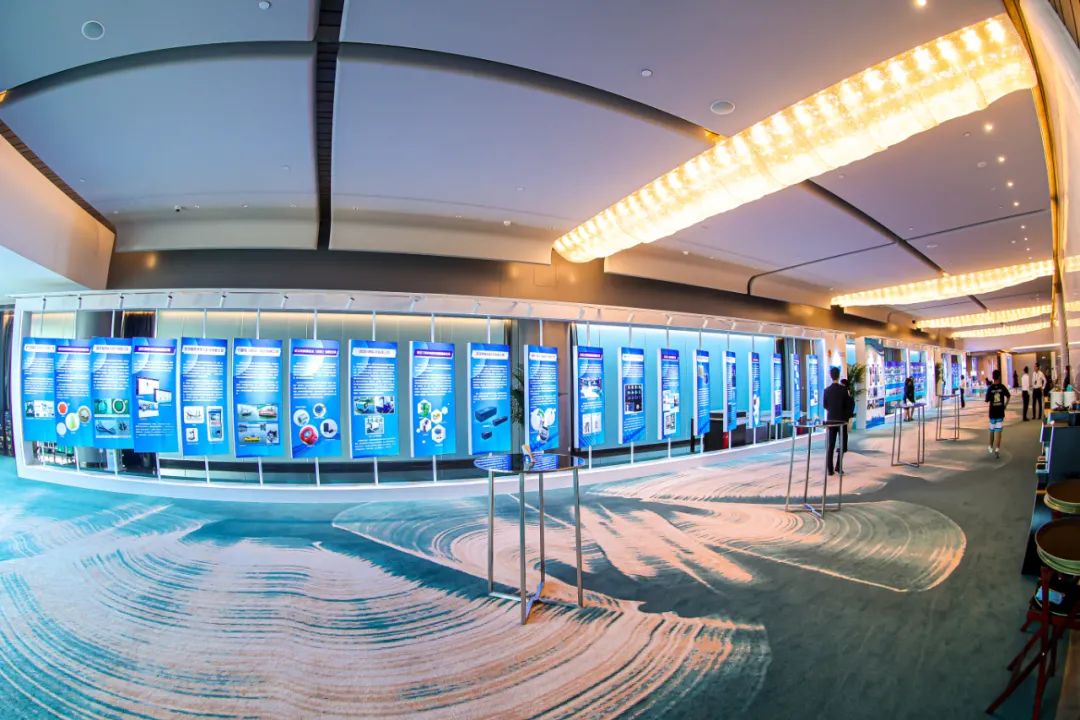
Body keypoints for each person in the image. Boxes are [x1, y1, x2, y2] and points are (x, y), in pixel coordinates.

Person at [823, 367, 848, 476]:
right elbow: (847, 405)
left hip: (831, 420)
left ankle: (830, 469)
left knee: (831, 445)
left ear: (830, 376)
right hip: (841, 421)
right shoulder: (843, 390)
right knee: (842, 444)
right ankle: (838, 466)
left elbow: (825, 405)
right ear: (839, 375)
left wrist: (832, 410)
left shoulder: (826, 390)